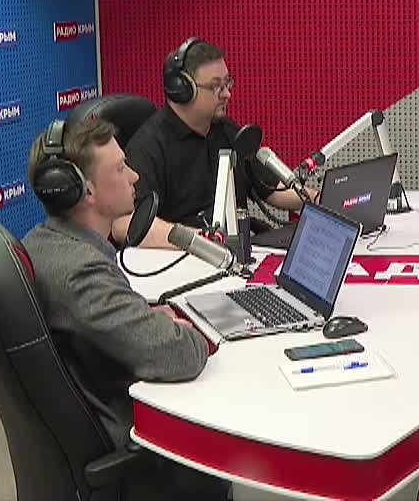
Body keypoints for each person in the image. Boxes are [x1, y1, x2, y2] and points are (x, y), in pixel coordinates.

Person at [23, 117, 228, 500]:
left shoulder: (43, 242)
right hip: (134, 443)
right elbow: (181, 355)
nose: (134, 176)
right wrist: (181, 332)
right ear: (84, 190)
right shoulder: (81, 272)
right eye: (120, 168)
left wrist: (143, 319)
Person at [124, 38, 311, 238]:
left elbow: (272, 190)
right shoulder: (148, 147)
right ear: (182, 90)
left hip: (236, 247)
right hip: (184, 252)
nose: (227, 94)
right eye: (216, 87)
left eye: (227, 83)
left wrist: (319, 201)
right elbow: (126, 224)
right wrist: (200, 240)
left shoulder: (226, 131)